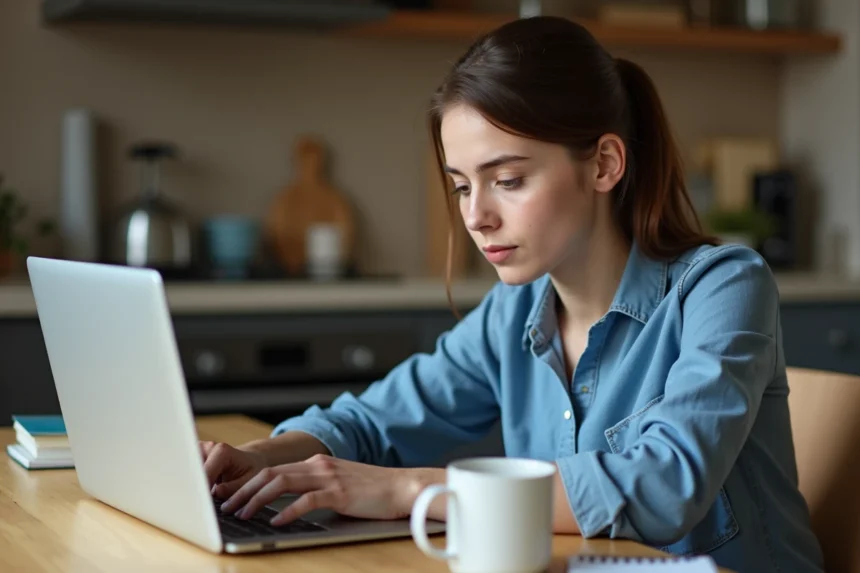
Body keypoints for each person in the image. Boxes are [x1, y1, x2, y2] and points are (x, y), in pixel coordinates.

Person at [201, 16, 824, 573]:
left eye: (507, 180)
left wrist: (408, 491)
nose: (477, 217)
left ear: (605, 164)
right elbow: (372, 422)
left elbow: (664, 485)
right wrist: (259, 460)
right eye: (462, 187)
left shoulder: (723, 286)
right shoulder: (513, 312)